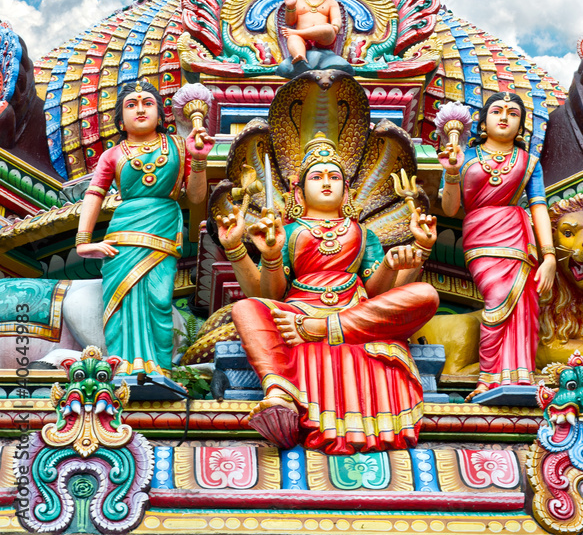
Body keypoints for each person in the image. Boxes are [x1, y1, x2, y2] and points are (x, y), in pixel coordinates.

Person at [217, 132, 439, 452]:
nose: (326, 182)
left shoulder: (362, 234)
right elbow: (271, 292)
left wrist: (411, 253)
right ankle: (280, 393)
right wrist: (256, 252)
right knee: (246, 309)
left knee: (426, 294)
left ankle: (323, 330)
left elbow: (377, 294)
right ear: (299, 189)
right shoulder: (289, 231)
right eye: (317, 176)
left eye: (334, 176)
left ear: (346, 189)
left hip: (353, 310)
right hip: (299, 311)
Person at [76, 80, 213, 391]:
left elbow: (195, 198)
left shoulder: (179, 146)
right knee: (122, 301)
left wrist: (199, 159)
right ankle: (123, 365)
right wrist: (83, 241)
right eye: (131, 104)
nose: (140, 108)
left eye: (147, 102)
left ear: (161, 113)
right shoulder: (112, 155)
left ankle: (160, 367)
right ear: (120, 120)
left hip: (163, 230)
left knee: (159, 298)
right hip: (123, 236)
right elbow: (93, 196)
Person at [439, 91, 556, 399]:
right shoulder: (461, 157)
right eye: (497, 111)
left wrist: (550, 256)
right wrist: (451, 173)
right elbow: (450, 209)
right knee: (497, 300)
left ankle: (518, 377)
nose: (504, 116)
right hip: (481, 237)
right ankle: (488, 377)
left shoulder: (529, 162)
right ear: (483, 121)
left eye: (513, 113)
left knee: (522, 306)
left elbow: (539, 206)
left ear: (521, 126)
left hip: (519, 238)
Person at [281, 0, 342, 68]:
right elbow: (290, 22)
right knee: (293, 39)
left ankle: (298, 33)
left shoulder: (331, 2)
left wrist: (335, 26)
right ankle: (300, 56)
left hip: (323, 40)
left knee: (328, 29)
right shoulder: (298, 0)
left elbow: (336, 21)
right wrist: (290, 7)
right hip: (303, 41)